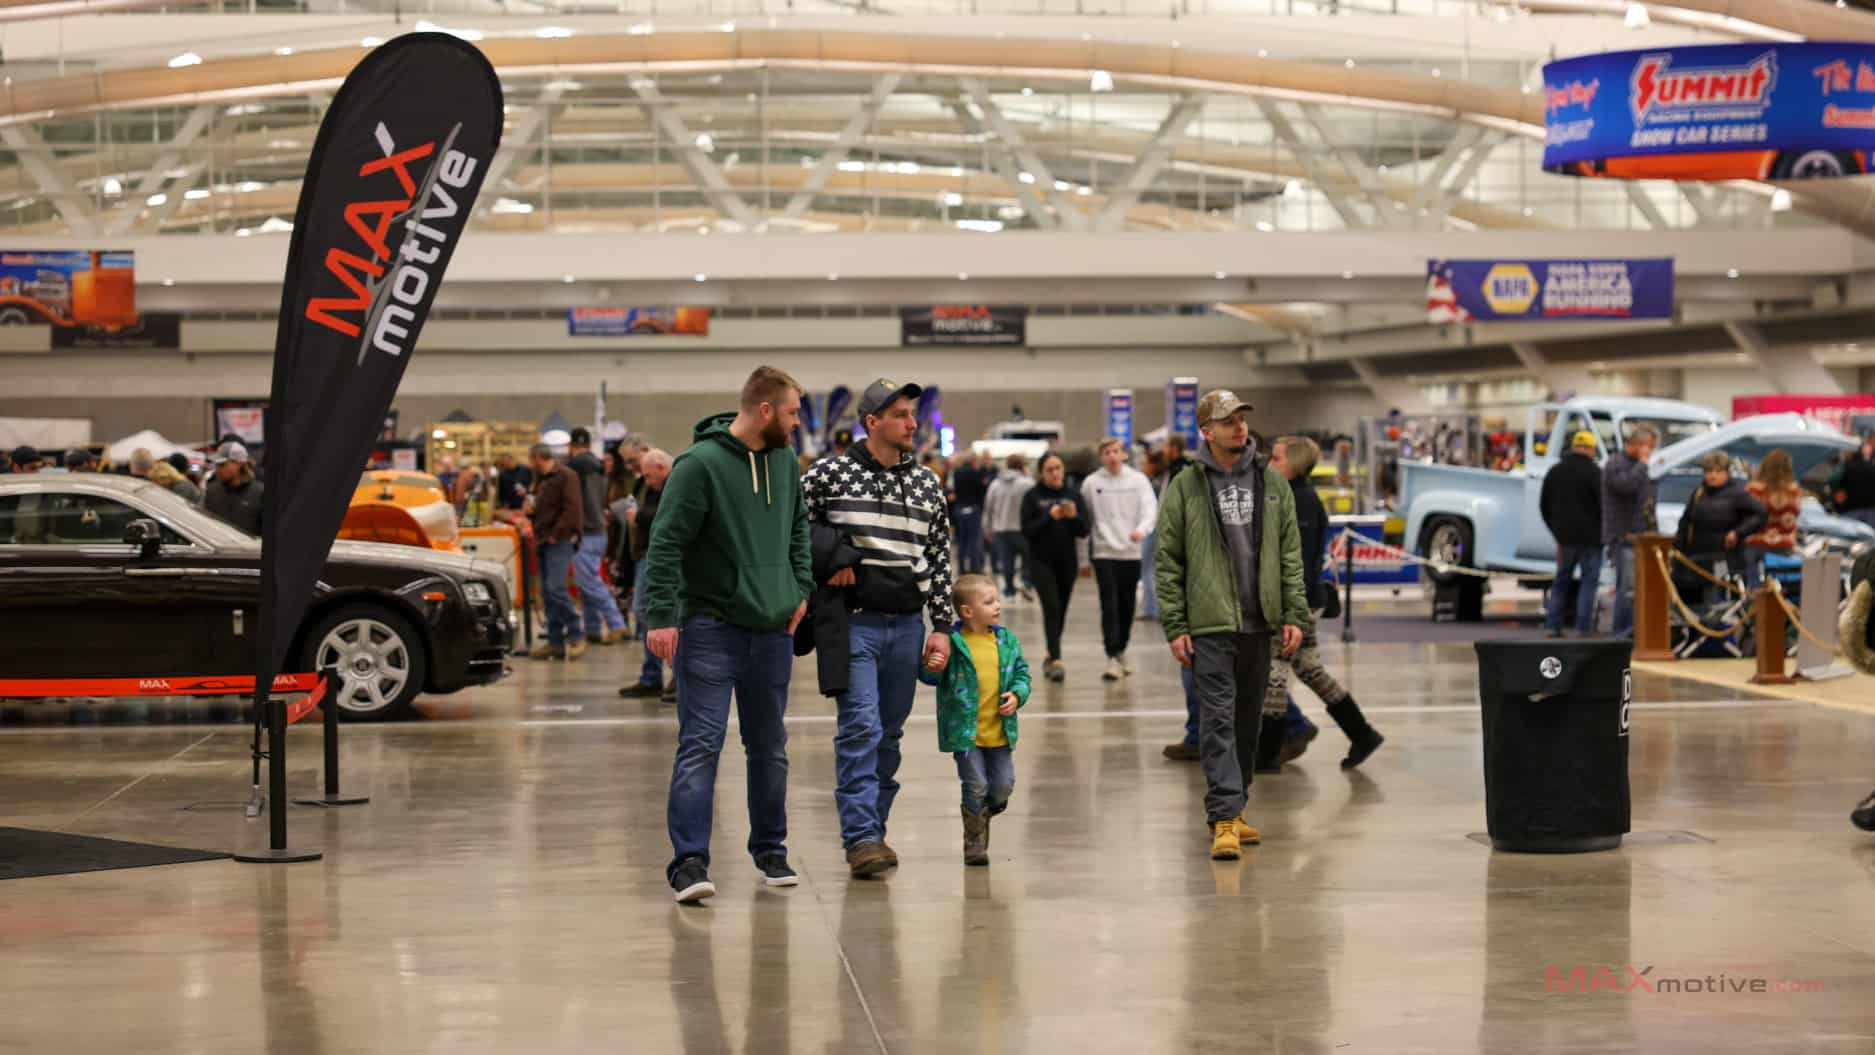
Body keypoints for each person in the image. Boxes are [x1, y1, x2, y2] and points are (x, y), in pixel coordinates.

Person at [643, 366, 812, 904]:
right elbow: (665, 542)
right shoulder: (698, 466)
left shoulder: (784, 462)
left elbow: (798, 528)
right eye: (792, 412)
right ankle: (689, 862)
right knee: (701, 745)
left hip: (773, 630)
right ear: (765, 410)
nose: (797, 421)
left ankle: (771, 849)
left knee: (770, 747)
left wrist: (800, 588)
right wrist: (660, 614)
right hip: (710, 627)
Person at [802, 377, 956, 878]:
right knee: (861, 727)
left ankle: (876, 829)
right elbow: (792, 529)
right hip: (855, 625)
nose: (912, 424)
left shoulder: (928, 483)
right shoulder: (829, 474)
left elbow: (938, 556)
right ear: (872, 422)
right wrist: (831, 559)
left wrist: (943, 625)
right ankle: (861, 837)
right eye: (901, 415)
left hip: (908, 626)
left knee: (888, 734)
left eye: (913, 414)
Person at [1156, 390, 1306, 861]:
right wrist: (1176, 624)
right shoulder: (1186, 485)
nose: (1239, 427)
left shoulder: (1271, 482)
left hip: (1259, 622)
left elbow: (1290, 553)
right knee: (1217, 720)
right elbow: (1168, 559)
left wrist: (1294, 613)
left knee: (1247, 723)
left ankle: (1236, 806)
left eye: (1241, 419)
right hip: (1209, 624)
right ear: (1206, 431)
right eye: (1227, 421)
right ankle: (1223, 817)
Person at [1266, 436, 1384, 769]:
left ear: (1294, 464)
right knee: (1309, 670)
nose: (1270, 464)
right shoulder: (1293, 496)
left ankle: (1267, 753)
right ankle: (1362, 733)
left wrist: (1290, 608)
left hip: (1297, 601)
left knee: (1274, 674)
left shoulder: (1299, 501)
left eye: (1276, 458)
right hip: (1303, 598)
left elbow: (1299, 560)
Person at [921, 574, 1030, 867]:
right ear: (967, 611)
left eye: (997, 600)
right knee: (976, 785)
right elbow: (930, 677)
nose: (998, 606)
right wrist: (932, 665)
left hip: (1000, 732)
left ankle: (982, 815)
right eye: (989, 602)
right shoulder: (953, 643)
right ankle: (973, 840)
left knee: (1003, 785)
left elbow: (1022, 674)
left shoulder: (1007, 641)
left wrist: (1017, 695)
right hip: (965, 733)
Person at [1084, 436, 1158, 681]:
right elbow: (1086, 519)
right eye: (1107, 453)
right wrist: (1084, 558)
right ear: (1101, 457)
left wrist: (1141, 530)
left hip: (1131, 551)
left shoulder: (1138, 480)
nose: (1112, 456)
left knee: (1127, 605)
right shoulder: (1091, 483)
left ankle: (1121, 648)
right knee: (1109, 604)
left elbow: (1150, 509)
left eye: (1115, 451)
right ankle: (1111, 656)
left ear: (1123, 454)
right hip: (1104, 552)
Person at [1021, 450, 1090, 684]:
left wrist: (1073, 517)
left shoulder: (1073, 495)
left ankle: (1050, 654)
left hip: (1067, 562)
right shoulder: (1032, 496)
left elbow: (1084, 530)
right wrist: (1048, 516)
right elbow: (1026, 530)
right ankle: (1057, 660)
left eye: (1058, 468)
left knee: (1060, 610)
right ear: (1041, 473)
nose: (1055, 473)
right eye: (1050, 469)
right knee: (1051, 606)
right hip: (1041, 561)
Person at [1672, 452, 1766, 605]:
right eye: (1709, 471)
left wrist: (1738, 533)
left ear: (1726, 473)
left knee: (1717, 602)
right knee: (1691, 604)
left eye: (1718, 471)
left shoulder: (1737, 494)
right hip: (1695, 559)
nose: (1713, 476)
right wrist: (1677, 550)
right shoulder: (1699, 493)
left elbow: (1760, 514)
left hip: (1724, 558)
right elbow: (1686, 522)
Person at [618, 448, 674, 701]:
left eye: (650, 475)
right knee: (644, 614)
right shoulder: (647, 486)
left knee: (662, 615)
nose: (647, 481)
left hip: (663, 556)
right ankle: (652, 677)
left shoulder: (676, 484)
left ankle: (678, 677)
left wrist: (639, 516)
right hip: (644, 554)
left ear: (661, 468)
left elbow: (668, 515)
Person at [565, 427, 629, 647]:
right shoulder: (600, 465)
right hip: (600, 530)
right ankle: (592, 628)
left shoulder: (573, 467)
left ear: (571, 446)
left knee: (589, 581)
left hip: (584, 531)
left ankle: (616, 624)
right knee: (587, 580)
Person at [1540, 430, 1604, 638]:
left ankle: (1553, 626)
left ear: (1573, 447)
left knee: (1561, 582)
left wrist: (1556, 531)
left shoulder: (1555, 471)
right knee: (1588, 583)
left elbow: (1544, 505)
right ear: (1591, 449)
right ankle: (1582, 628)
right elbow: (1604, 507)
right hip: (1592, 540)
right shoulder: (1596, 473)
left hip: (1564, 539)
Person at [525, 442, 586, 661]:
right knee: (547, 593)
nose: (530, 464)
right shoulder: (540, 479)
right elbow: (543, 508)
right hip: (542, 540)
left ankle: (576, 632)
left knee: (556, 588)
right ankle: (555, 641)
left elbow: (573, 509)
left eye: (531, 459)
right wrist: (530, 513)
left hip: (559, 541)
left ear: (538, 457)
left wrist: (557, 533)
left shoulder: (567, 476)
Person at [1602, 424, 1659, 638]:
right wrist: (1642, 464)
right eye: (1648, 446)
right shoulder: (1616, 464)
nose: (1650, 452)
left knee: (1637, 587)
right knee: (1627, 588)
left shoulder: (1636, 466)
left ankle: (1636, 631)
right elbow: (1625, 486)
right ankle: (1622, 633)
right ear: (1636, 444)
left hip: (1641, 536)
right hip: (1623, 536)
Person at [1743, 448, 1802, 591]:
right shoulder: (1793, 491)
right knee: (1781, 591)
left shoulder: (1753, 489)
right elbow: (1790, 524)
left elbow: (1745, 519)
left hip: (1755, 544)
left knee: (1755, 591)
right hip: (1783, 545)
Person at [983, 453, 1034, 601]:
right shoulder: (1028, 483)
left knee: (1007, 562)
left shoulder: (995, 484)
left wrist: (987, 529)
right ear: (1022, 466)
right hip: (1023, 529)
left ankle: (1009, 591)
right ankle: (1025, 582)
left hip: (1001, 529)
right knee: (1028, 558)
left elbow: (988, 508)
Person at [948, 450, 993, 576]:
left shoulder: (956, 473)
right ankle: (975, 569)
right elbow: (982, 490)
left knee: (961, 541)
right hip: (973, 509)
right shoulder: (975, 473)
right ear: (974, 460)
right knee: (974, 541)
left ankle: (961, 569)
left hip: (959, 509)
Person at [203, 441, 263, 534]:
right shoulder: (212, 491)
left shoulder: (260, 493)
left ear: (238, 464)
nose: (217, 469)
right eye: (216, 465)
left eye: (222, 464)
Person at [1831, 432, 1875, 529]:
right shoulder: (1872, 468)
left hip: (1850, 512)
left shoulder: (1846, 467)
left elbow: (1835, 485)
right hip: (1871, 513)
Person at [492, 451, 533, 524]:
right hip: (512, 509)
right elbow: (502, 494)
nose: (507, 463)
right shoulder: (502, 475)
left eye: (509, 460)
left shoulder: (526, 470)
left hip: (525, 506)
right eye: (504, 462)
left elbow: (532, 487)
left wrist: (529, 501)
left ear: (513, 459)